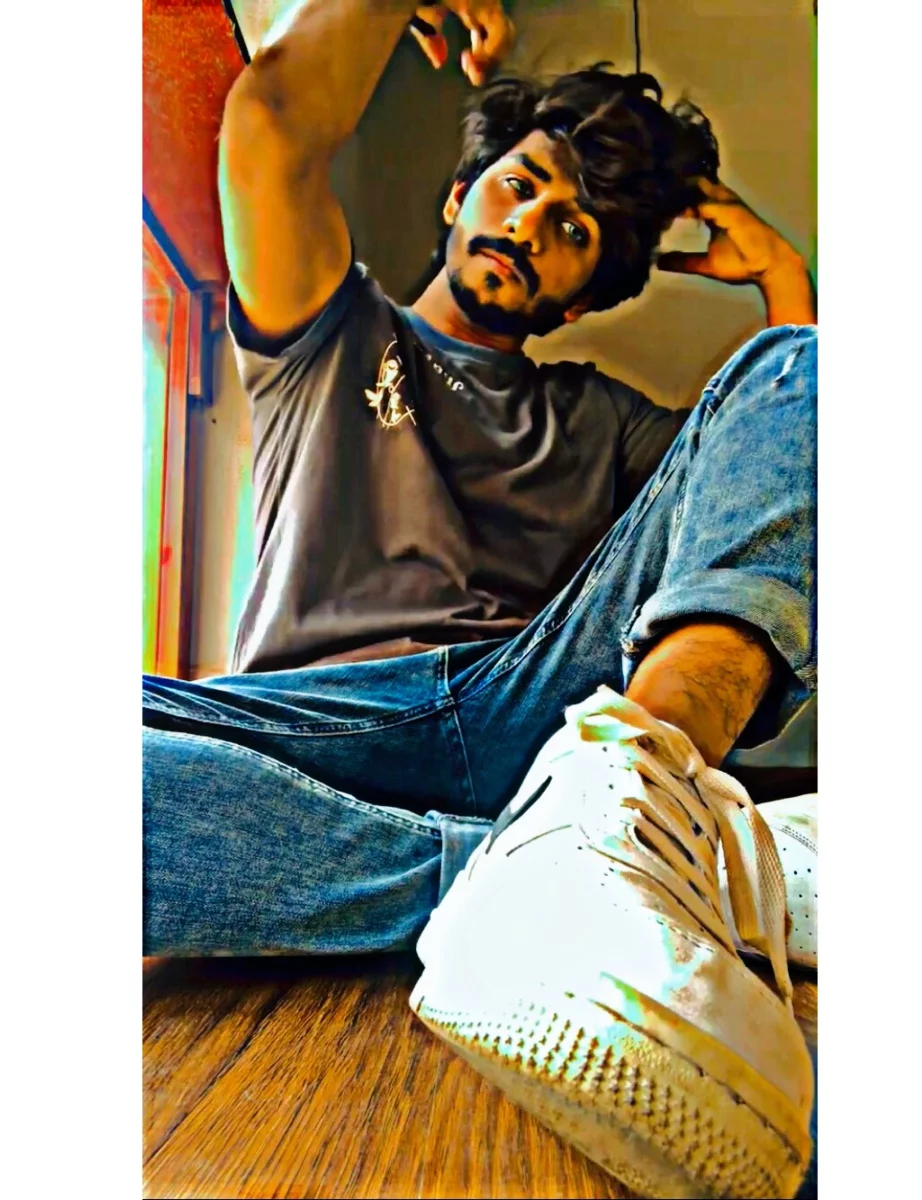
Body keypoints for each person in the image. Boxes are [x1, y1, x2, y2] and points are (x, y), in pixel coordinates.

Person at [143, 2, 817, 1194]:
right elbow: (273, 126)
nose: (533, 225)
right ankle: (612, 870)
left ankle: (638, 791)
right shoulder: (331, 337)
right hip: (315, 731)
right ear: (460, 197)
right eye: (522, 186)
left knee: (803, 372)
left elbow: (777, 466)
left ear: (580, 297)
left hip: (545, 722)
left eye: (574, 231)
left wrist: (782, 281)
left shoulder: (596, 418)